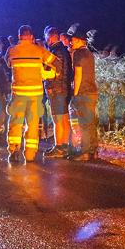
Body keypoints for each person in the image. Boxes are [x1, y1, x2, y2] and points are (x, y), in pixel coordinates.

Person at [5, 25, 58, 162]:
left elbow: (8, 64)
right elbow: (56, 63)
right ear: (31, 36)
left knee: (16, 122)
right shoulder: (39, 50)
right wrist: (48, 73)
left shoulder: (12, 50)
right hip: (36, 94)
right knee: (33, 124)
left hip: (19, 94)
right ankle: (30, 154)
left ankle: (14, 149)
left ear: (19, 36)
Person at [67, 25, 99, 160]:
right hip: (92, 91)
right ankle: (93, 151)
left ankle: (84, 152)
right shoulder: (89, 53)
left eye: (72, 39)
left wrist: (75, 94)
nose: (70, 42)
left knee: (84, 123)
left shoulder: (78, 53)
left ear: (80, 40)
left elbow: (78, 75)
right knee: (90, 122)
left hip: (83, 92)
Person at [43, 26, 73, 158]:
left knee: (58, 119)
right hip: (64, 88)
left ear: (49, 37)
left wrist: (46, 80)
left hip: (56, 89)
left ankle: (59, 146)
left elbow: (56, 72)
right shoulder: (63, 50)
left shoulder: (55, 51)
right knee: (64, 118)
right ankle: (65, 146)